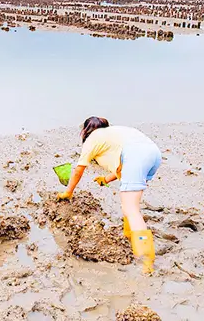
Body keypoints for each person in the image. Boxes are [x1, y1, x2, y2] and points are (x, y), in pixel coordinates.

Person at [58, 117, 162, 273]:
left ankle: (147, 260)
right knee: (129, 205)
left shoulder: (91, 140)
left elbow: (78, 170)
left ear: (85, 131)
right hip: (153, 154)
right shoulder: (115, 133)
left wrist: (68, 192)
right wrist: (105, 179)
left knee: (132, 209)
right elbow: (123, 167)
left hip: (134, 156)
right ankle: (129, 236)